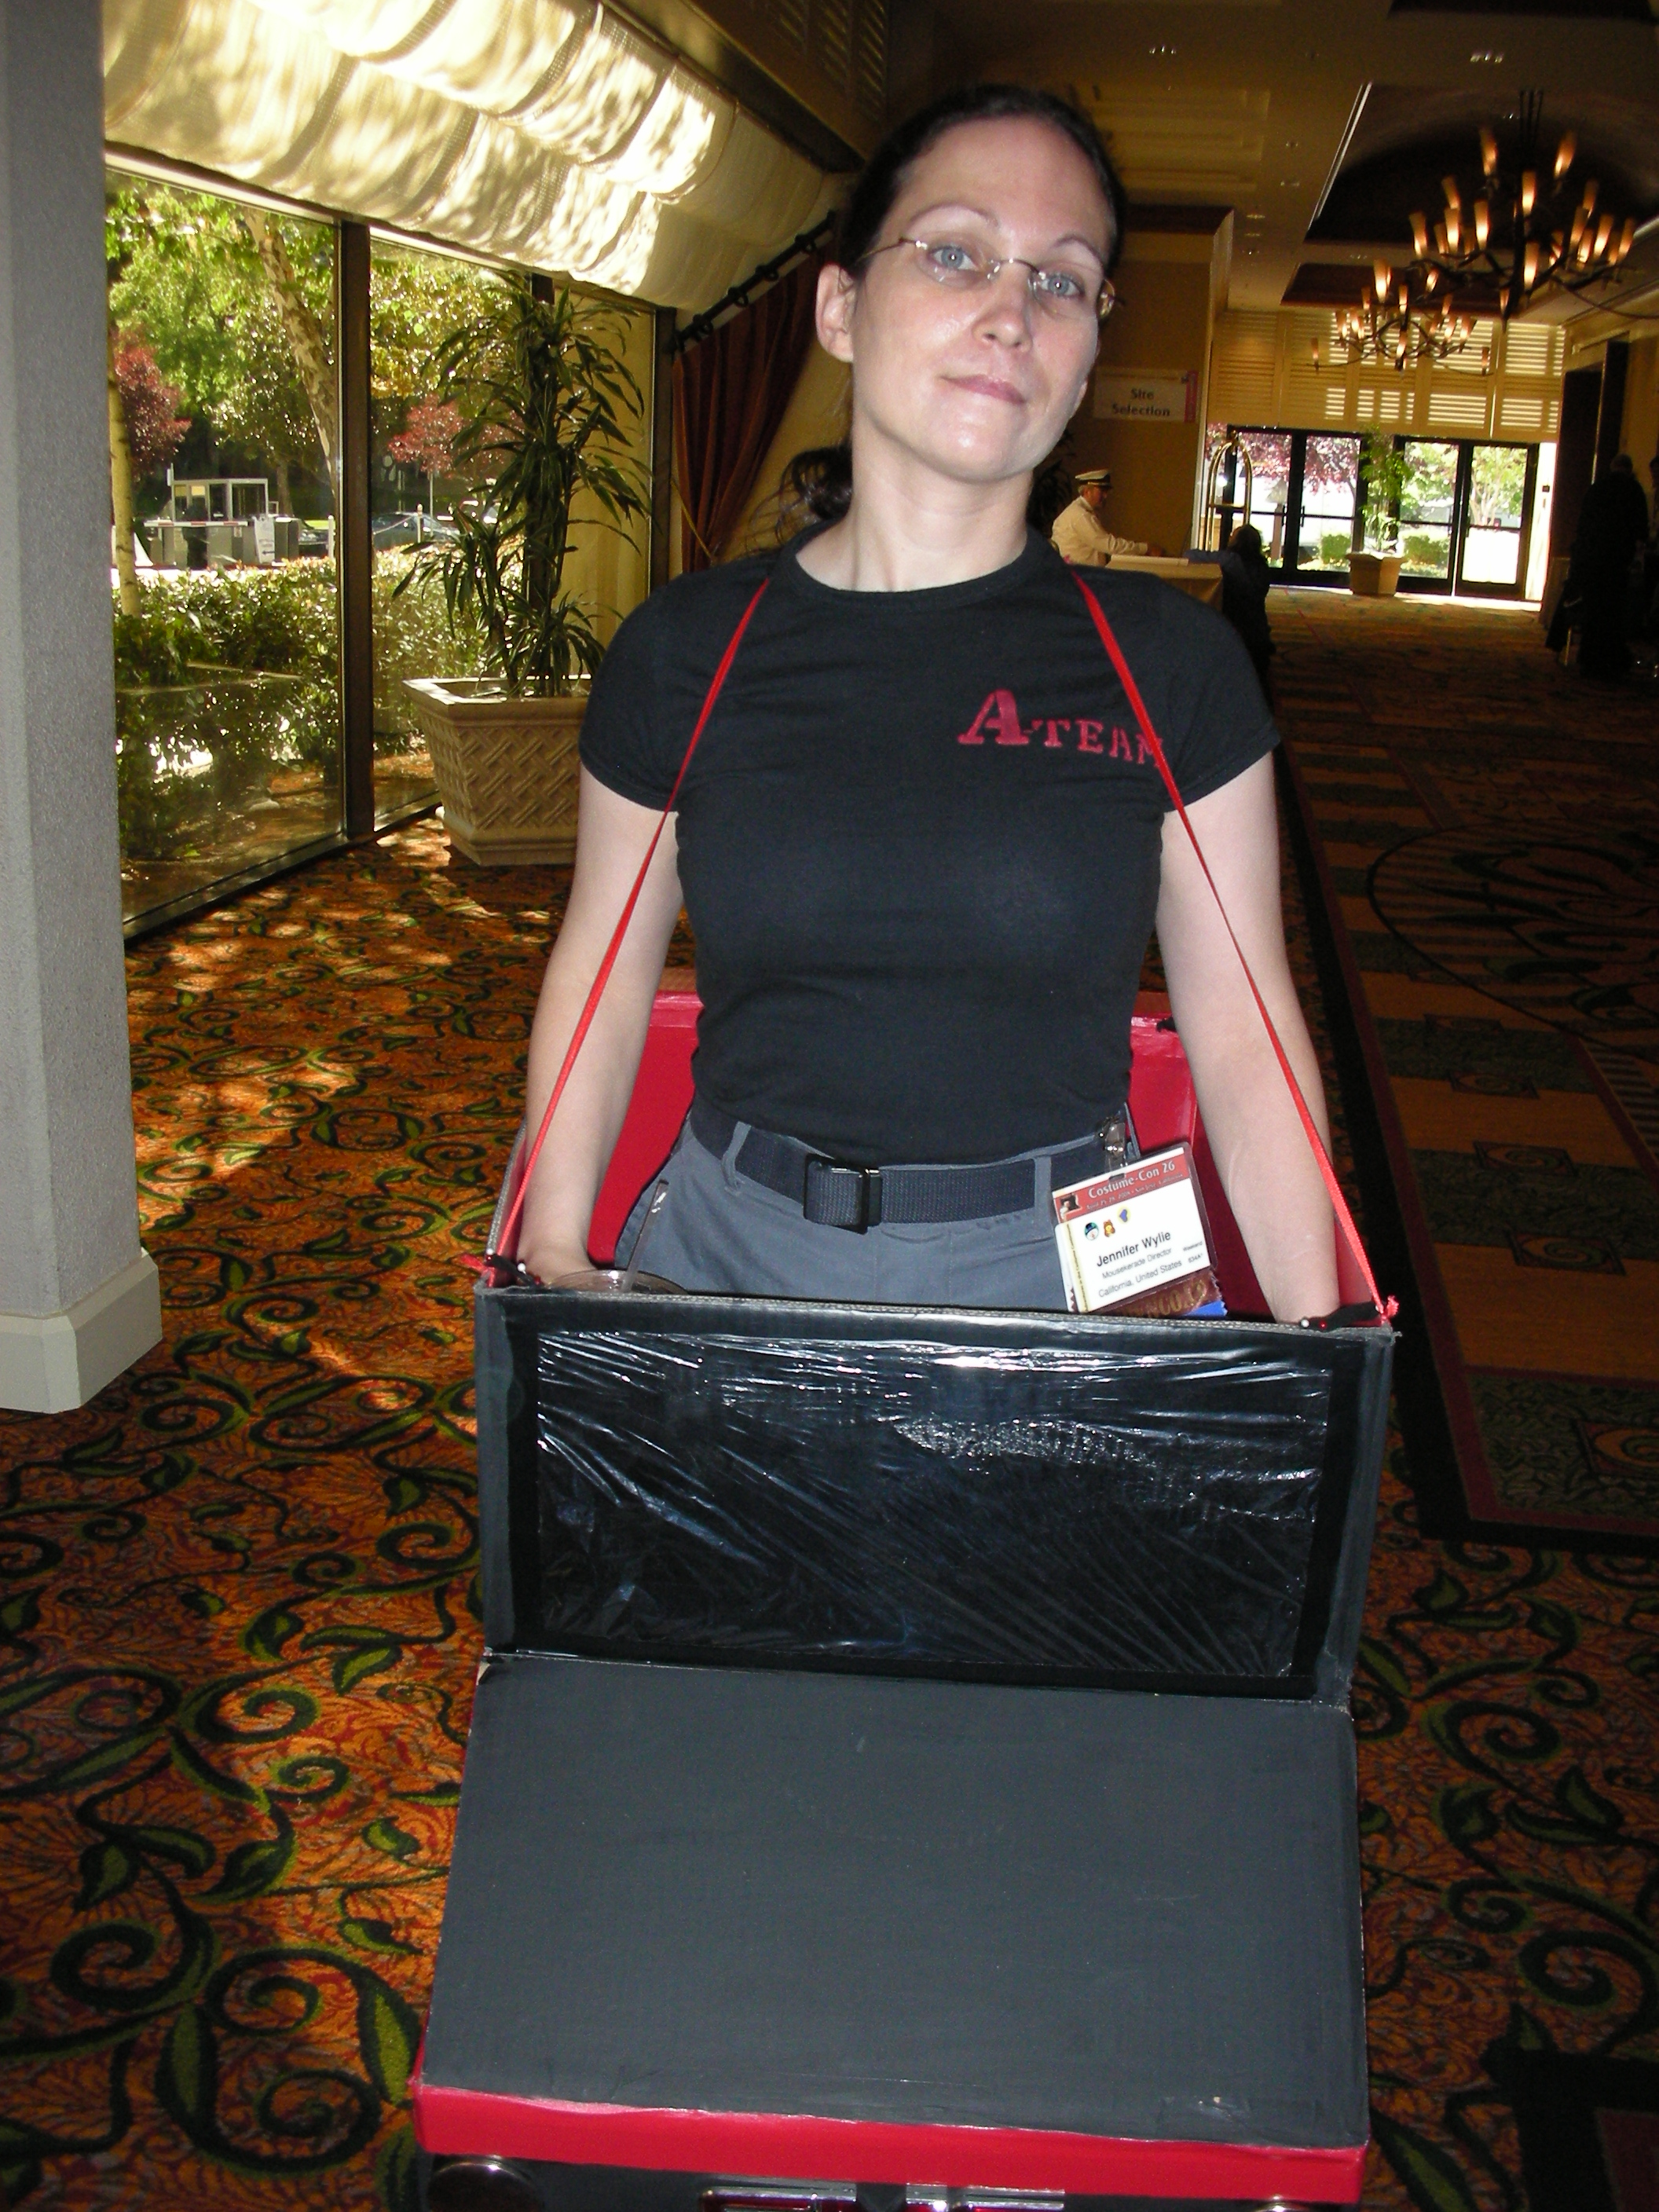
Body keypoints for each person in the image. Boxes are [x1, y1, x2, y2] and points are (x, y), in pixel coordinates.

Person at [515, 82, 1339, 1323]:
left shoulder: (1169, 666)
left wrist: (1320, 1340)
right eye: (956, 253)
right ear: (841, 307)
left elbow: (1245, 1033)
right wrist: (552, 1249)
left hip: (1070, 1277)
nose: (1012, 313)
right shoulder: (688, 650)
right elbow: (603, 971)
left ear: (1088, 349)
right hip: (732, 1265)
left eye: (1063, 281)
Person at [1566, 453, 1650, 679]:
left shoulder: (1597, 488)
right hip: (1618, 561)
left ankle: (1588, 659)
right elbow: (1641, 529)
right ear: (1629, 469)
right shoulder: (1635, 491)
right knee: (1613, 612)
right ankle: (1609, 660)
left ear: (1613, 467)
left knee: (1594, 610)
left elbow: (1583, 524)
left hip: (1594, 559)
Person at [1049, 467, 1164, 562]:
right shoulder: (1080, 515)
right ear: (1087, 492)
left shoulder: (1080, 511)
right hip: (1082, 577)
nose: (1105, 496)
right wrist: (1145, 548)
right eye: (1102, 491)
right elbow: (1110, 546)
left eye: (1107, 491)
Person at [1218, 524, 1275, 703]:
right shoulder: (1262, 567)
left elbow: (1191, 554)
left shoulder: (1230, 562)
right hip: (1259, 633)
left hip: (1236, 632)